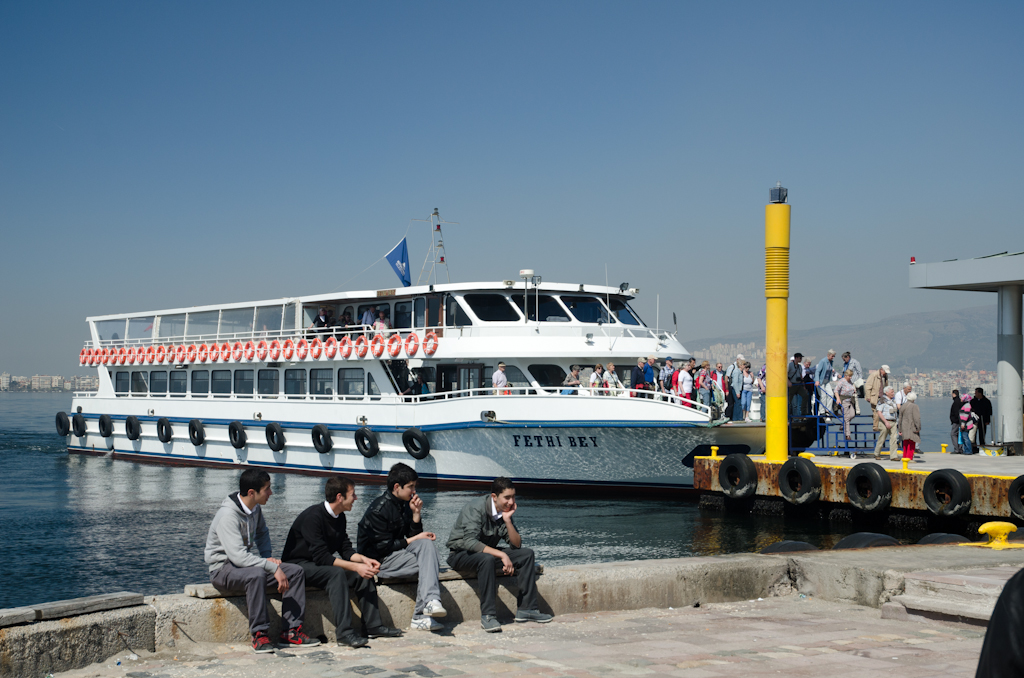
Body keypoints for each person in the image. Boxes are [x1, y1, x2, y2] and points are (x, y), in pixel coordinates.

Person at [205, 469, 319, 653]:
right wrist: (271, 567)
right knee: (256, 574)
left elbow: (262, 532)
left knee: (296, 571)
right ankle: (259, 635)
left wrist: (267, 556)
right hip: (222, 570)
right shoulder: (228, 516)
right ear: (252, 493)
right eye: (267, 489)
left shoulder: (254, 508)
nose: (271, 493)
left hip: (245, 566)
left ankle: (291, 631)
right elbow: (238, 557)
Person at [281, 476, 401, 648]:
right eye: (353, 494)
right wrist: (356, 566)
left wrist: (365, 561)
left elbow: (346, 550)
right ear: (339, 497)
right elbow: (323, 557)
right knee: (336, 574)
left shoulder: (340, 517)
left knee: (362, 574)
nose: (356, 498)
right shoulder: (313, 517)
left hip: (318, 565)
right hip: (297, 566)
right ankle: (344, 634)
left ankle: (374, 626)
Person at [446, 477, 552, 632]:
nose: (511, 502)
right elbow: (469, 542)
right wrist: (502, 556)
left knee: (526, 554)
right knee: (487, 559)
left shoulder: (504, 511)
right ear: (494, 497)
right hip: (461, 555)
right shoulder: (475, 508)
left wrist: (508, 521)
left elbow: (516, 544)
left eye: (513, 497)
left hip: (485, 554)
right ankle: (488, 616)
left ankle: (527, 609)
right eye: (507, 498)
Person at [357, 464, 447, 632]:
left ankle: (429, 605)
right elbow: (384, 547)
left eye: (414, 486)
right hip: (379, 562)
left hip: (397, 556)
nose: (414, 491)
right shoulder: (379, 510)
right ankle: (422, 612)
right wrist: (415, 538)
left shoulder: (405, 504)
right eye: (410, 487)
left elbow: (416, 540)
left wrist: (416, 514)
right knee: (429, 560)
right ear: (397, 487)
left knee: (428, 548)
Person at [872, 387, 900, 461]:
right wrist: (885, 422)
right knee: (882, 438)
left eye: (893, 392)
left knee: (894, 439)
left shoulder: (893, 401)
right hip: (885, 421)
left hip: (893, 421)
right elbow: (879, 412)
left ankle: (893, 456)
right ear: (886, 393)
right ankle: (877, 453)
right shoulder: (882, 401)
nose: (893, 393)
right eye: (891, 392)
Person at [835, 370, 858, 451]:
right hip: (843, 400)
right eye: (849, 376)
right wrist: (838, 399)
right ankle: (847, 435)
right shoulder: (842, 381)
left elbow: (852, 389)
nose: (850, 377)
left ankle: (842, 425)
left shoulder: (850, 382)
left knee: (852, 414)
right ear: (846, 375)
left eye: (851, 376)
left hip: (850, 400)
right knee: (847, 417)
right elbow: (836, 390)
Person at [864, 365, 889, 432]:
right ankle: (875, 427)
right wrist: (868, 396)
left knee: (880, 412)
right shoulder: (874, 375)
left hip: (882, 397)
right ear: (881, 370)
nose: (886, 373)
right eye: (885, 372)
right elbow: (868, 386)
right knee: (876, 412)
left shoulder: (885, 376)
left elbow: (886, 386)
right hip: (874, 397)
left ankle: (879, 425)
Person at [899, 392, 922, 462]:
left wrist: (900, 429)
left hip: (904, 427)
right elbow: (917, 418)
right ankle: (909, 458)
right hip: (911, 427)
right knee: (912, 443)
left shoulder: (903, 406)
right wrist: (918, 428)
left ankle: (904, 457)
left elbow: (900, 418)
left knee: (905, 442)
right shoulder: (914, 406)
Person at [787, 353, 804, 418]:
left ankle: (796, 417)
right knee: (793, 404)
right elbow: (785, 375)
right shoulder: (790, 365)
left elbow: (801, 376)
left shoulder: (799, 367)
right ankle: (793, 418)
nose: (801, 359)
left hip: (798, 385)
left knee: (797, 403)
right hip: (792, 385)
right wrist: (788, 382)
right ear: (796, 358)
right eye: (800, 358)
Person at [949, 389, 963, 454]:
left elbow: (956, 412)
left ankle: (956, 449)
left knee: (953, 434)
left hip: (956, 421)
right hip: (960, 421)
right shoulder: (959, 401)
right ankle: (960, 448)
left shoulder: (956, 402)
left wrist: (954, 420)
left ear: (954, 394)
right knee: (959, 434)